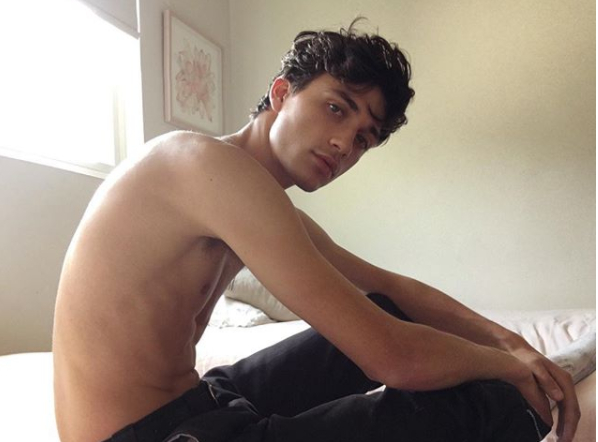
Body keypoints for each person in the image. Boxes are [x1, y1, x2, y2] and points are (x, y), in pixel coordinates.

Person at [52, 20, 579, 442]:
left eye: (363, 138)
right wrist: (506, 368)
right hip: (150, 434)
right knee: (491, 403)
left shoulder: (245, 191)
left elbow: (391, 289)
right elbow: (393, 358)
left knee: (389, 310)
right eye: (335, 109)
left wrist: (515, 345)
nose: (344, 144)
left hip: (200, 402)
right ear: (282, 93)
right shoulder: (204, 165)